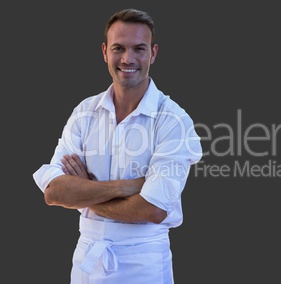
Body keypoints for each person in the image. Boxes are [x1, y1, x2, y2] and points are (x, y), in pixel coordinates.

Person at [33, 8, 202, 283]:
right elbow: (53, 192)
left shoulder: (173, 120)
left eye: (139, 48)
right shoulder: (84, 112)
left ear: (153, 53)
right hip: (87, 263)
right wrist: (127, 187)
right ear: (104, 52)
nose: (128, 58)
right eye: (118, 48)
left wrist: (84, 190)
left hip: (145, 265)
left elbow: (153, 209)